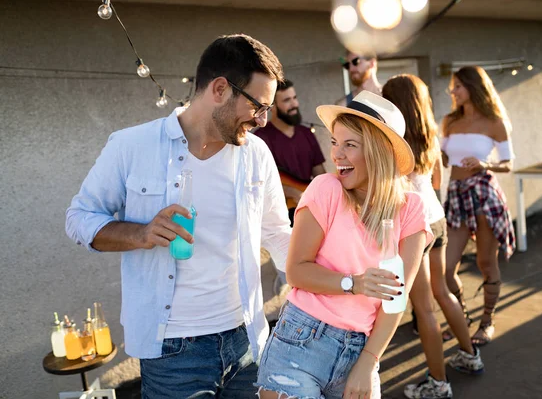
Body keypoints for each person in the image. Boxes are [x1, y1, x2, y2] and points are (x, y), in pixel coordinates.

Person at [66, 34, 292, 399]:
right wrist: (140, 234)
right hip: (173, 353)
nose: (264, 120)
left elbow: (278, 234)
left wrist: (330, 281)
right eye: (258, 106)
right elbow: (79, 218)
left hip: (248, 340)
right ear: (220, 89)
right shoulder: (131, 146)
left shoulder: (257, 155)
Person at [255, 91, 433, 399]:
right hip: (300, 341)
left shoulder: (411, 208)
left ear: (380, 152)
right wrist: (355, 283)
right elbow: (296, 271)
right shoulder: (326, 189)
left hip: (361, 348)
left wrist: (369, 361)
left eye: (350, 145)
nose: (336, 154)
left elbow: (395, 299)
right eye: (335, 143)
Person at [383, 74, 484, 399]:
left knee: (423, 308)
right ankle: (470, 356)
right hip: (436, 218)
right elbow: (437, 180)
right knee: (443, 293)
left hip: (414, 227)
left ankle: (438, 384)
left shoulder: (393, 141)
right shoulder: (430, 134)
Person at [441, 66, 516, 347]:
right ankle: (460, 318)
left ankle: (487, 321)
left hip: (483, 194)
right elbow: (445, 160)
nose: (453, 91)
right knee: (447, 268)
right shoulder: (449, 121)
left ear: (473, 87)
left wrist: (485, 164)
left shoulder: (495, 121)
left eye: (458, 86)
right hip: (457, 196)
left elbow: (508, 164)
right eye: (452, 86)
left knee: (486, 263)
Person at [254, 79, 326, 225]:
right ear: (272, 107)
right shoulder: (260, 139)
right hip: (276, 217)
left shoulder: (307, 134)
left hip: (308, 212)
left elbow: (320, 175)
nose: (294, 104)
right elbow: (257, 183)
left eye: (294, 98)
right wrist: (292, 192)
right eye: (287, 100)